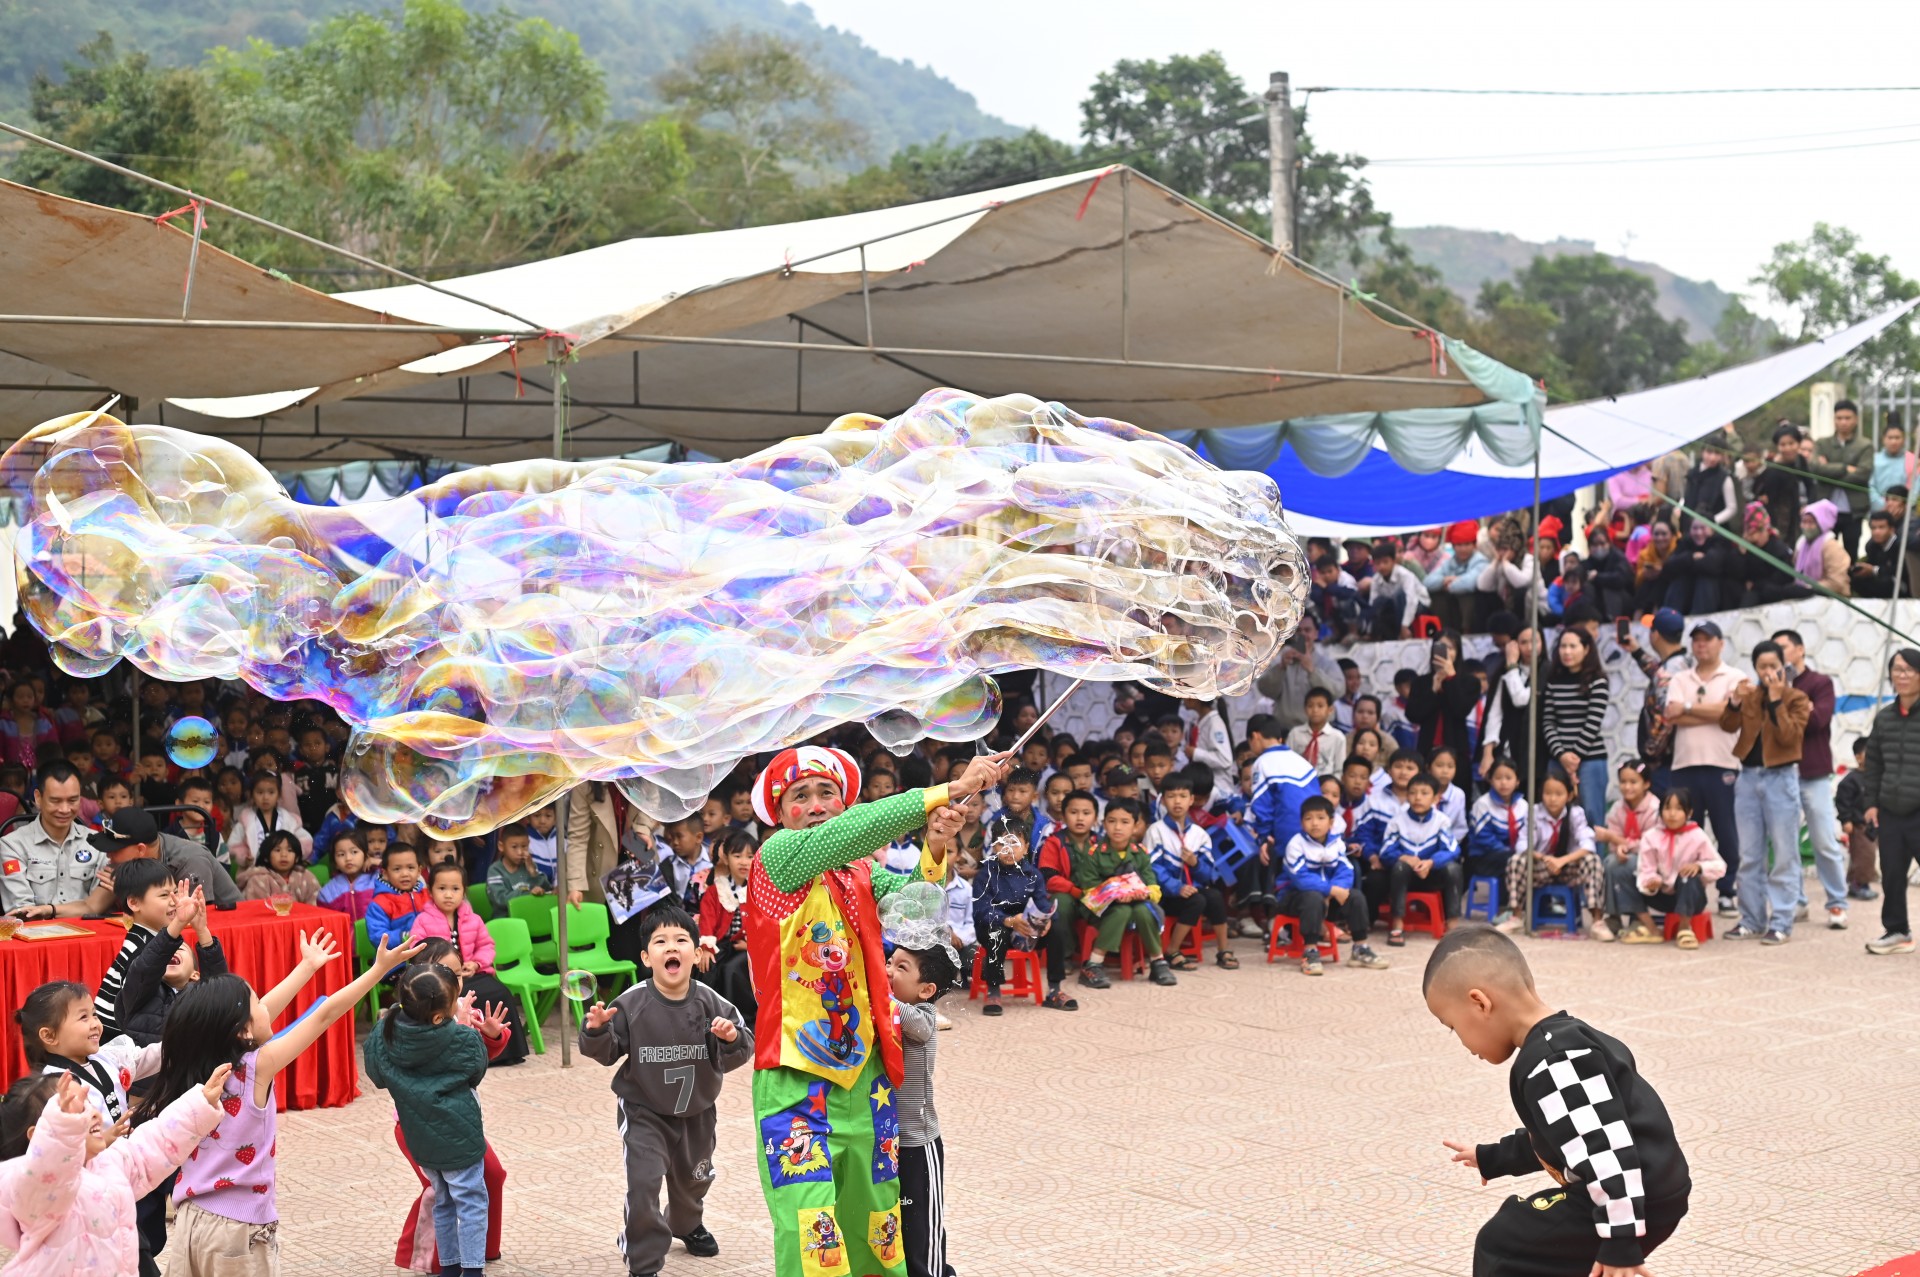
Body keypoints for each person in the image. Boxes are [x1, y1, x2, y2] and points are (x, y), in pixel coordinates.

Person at [743, 744, 1004, 1277]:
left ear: (844, 803)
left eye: (827, 794)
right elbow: (846, 833)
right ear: (779, 813)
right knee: (810, 1228)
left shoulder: (858, 873)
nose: (816, 805)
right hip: (796, 1079)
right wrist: (946, 789)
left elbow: (920, 912)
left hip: (868, 1080)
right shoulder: (777, 862)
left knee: (877, 1227)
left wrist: (934, 844)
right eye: (800, 796)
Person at [137, 930, 421, 1275]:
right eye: (258, 1003)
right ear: (241, 1030)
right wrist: (378, 970)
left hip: (192, 1218)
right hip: (237, 1228)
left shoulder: (195, 1067)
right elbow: (325, 1014)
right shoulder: (255, 1068)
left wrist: (307, 967)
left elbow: (261, 1014)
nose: (266, 1007)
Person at [1428, 927, 1691, 1276]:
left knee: (1505, 1241)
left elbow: (1603, 1148)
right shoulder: (1566, 1041)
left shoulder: (1553, 1059)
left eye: (1452, 1025)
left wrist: (1620, 1241)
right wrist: (1493, 1157)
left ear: (1480, 1002)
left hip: (1632, 1194)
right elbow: (1566, 1135)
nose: (1461, 1041)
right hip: (1642, 1189)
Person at [577, 905, 750, 1277]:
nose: (671, 947)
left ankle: (686, 1225)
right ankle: (643, 1262)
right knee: (643, 1184)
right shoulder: (630, 1003)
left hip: (698, 1112)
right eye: (660, 942)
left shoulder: (710, 1001)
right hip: (644, 1112)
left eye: (681, 940)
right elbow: (606, 1053)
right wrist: (595, 1031)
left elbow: (741, 1049)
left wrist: (732, 1037)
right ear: (646, 957)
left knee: (693, 1183)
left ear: (696, 952)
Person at [0, 1063, 230, 1277]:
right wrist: (62, 1129)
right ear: (43, 1134)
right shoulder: (33, 1189)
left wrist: (199, 1104)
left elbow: (156, 1142)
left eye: (89, 1103)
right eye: (75, 1110)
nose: (92, 1113)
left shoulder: (109, 1163)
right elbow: (47, 1173)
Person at [363, 961, 495, 1277]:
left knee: (444, 1201)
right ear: (438, 1016)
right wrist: (462, 1028)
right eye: (455, 1002)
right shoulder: (461, 1039)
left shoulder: (385, 1032)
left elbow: (377, 1075)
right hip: (459, 1138)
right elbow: (476, 1072)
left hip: (419, 1137)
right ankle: (473, 1271)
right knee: (472, 1203)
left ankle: (450, 1268)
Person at [1717, 641, 1810, 945]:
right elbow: (1727, 724)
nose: (1768, 672)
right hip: (1747, 778)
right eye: (1762, 666)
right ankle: (1751, 919)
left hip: (1781, 778)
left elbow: (1789, 736)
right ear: (1755, 667)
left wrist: (1775, 700)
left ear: (1783, 666)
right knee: (1749, 854)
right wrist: (1733, 701)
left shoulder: (1796, 698)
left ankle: (1782, 920)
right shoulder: (1750, 695)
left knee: (1784, 853)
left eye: (1773, 666)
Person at [885, 941, 960, 1277]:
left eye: (902, 968)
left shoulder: (923, 1017)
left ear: (927, 990)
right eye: (888, 962)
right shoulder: (886, 1008)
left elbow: (916, 1024)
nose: (888, 971)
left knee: (921, 1225)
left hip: (918, 1142)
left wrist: (874, 986)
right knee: (890, 1220)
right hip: (886, 1143)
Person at [1663, 622, 1744, 917]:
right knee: (1683, 833)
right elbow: (1671, 714)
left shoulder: (1736, 677)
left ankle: (1727, 891)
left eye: (1707, 640)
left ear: (1721, 643)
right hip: (1684, 765)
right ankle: (1688, 893)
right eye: (1696, 640)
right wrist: (1713, 711)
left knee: (1726, 830)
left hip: (1723, 763)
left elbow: (1730, 714)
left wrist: (1688, 709)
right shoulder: (1680, 677)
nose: (1701, 645)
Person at [411, 861, 528, 1064]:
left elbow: (487, 945)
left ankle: (504, 1050)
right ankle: (465, 1051)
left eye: (455, 889)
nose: (448, 894)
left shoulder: (473, 919)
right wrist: (443, 969)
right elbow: (418, 950)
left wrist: (476, 963)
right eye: (442, 888)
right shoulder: (422, 920)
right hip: (440, 980)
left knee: (498, 992)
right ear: (430, 891)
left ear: (464, 891)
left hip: (473, 973)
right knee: (458, 997)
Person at [1770, 629, 1849, 930]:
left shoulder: (1820, 682)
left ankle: (1837, 903)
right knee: (1784, 843)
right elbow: (1769, 726)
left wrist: (1787, 701)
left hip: (1813, 771)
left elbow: (1817, 721)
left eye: (1784, 648)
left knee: (1824, 840)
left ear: (1800, 650)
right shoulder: (1771, 685)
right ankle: (1797, 903)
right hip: (1780, 771)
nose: (1779, 654)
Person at [1277, 796, 1390, 975]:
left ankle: (1360, 948)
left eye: (1320, 818)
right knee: (1313, 897)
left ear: (1331, 822)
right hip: (1294, 899)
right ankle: (1310, 952)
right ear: (1301, 822)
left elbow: (1346, 870)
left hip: (1328, 897)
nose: (1314, 823)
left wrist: (1334, 891)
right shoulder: (1296, 844)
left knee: (1355, 897)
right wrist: (1330, 890)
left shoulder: (1336, 843)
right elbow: (1301, 879)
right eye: (1308, 818)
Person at [1072, 797, 1176, 988]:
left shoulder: (1140, 852)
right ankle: (1093, 964)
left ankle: (1158, 962)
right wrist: (1114, 895)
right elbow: (1089, 890)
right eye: (1112, 821)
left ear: (1136, 826)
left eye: (1125, 822)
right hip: (1100, 909)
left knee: (1143, 910)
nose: (1117, 827)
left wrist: (1143, 894)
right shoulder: (1094, 853)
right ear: (1104, 824)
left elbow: (1153, 887)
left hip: (1136, 905)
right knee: (1123, 910)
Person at [1609, 789, 1726, 947]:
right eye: (1667, 808)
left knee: (1687, 875)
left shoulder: (1697, 835)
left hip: (1690, 896)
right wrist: (1652, 883)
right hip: (1661, 895)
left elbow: (1720, 866)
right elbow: (1646, 868)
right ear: (1660, 811)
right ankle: (1651, 929)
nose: (1672, 814)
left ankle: (1684, 928)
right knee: (1623, 871)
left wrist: (1699, 867)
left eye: (1678, 809)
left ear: (1689, 812)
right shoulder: (1651, 837)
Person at [1144, 770, 1234, 972]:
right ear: (1163, 800)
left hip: (1189, 891)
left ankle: (1223, 950)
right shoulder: (1156, 831)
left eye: (1183, 796)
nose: (1177, 801)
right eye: (1171, 796)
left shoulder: (1199, 835)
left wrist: (1195, 864)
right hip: (1164, 895)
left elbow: (1207, 875)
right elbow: (1151, 869)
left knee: (1215, 896)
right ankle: (1172, 951)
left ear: (1192, 799)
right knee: (1197, 900)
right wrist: (1176, 887)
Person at [0, 761, 115, 920]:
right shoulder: (12, 845)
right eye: (55, 801)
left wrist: (50, 910)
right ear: (38, 798)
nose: (65, 809)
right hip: (37, 937)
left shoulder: (98, 843)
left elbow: (97, 906)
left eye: (73, 800)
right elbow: (23, 912)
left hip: (88, 936)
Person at [1504, 768, 1610, 939]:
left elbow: (1588, 843)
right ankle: (1516, 915)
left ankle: (1597, 920)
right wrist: (1545, 859)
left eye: (1558, 793)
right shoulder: (1534, 812)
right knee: (1516, 861)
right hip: (1541, 867)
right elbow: (1523, 844)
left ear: (1568, 795)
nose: (1552, 798)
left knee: (1593, 860)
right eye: (1548, 793)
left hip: (1569, 867)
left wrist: (1562, 861)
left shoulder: (1576, 813)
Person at [1862, 648, 1920, 955]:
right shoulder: (1884, 718)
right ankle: (1898, 931)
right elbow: (1873, 765)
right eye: (1897, 669)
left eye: (1910, 670)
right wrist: (1871, 803)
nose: (1903, 675)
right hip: (1891, 811)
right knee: (1893, 875)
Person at [1541, 628, 1611, 832]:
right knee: (1555, 816)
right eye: (1563, 646)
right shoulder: (1553, 681)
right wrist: (1561, 754)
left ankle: (1594, 863)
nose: (1567, 652)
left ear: (1586, 649)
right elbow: (1548, 721)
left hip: (1590, 759)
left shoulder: (1598, 681)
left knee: (1591, 816)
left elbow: (1593, 722)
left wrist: (1574, 757)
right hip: (1557, 759)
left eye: (1573, 646)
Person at [1380, 772, 1462, 944]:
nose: (1418, 797)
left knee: (1454, 868)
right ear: (1407, 795)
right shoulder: (1397, 821)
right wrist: (1405, 858)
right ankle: (1397, 924)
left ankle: (1453, 924)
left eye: (1424, 793)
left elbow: (1453, 850)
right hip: (1406, 878)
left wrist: (1431, 863)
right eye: (1413, 793)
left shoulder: (1442, 821)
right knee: (1399, 867)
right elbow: (1385, 852)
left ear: (1435, 798)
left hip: (1432, 875)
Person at [1622, 608, 1689, 791]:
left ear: (1656, 635)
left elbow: (1666, 719)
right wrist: (1637, 652)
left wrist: (1650, 755)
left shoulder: (1667, 674)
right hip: (1677, 760)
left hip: (1664, 765)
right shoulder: (1683, 662)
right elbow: (1658, 672)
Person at [697, 830, 759, 1019]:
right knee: (706, 969)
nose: (743, 862)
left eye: (749, 856)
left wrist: (751, 946)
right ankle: (708, 1018)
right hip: (722, 946)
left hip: (751, 948)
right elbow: (707, 919)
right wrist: (706, 948)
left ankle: (739, 1018)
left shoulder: (760, 889)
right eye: (737, 855)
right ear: (726, 857)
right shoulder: (717, 889)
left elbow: (766, 925)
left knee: (731, 969)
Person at [1407, 631, 1480, 786]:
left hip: (1456, 751)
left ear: (1458, 652)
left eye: (1451, 648)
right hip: (1427, 750)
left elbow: (1461, 709)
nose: (1446, 652)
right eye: (1441, 647)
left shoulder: (1470, 682)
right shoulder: (1421, 682)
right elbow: (1413, 715)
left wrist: (1451, 678)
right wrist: (1433, 690)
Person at [1595, 760, 1660, 929]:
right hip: (1627, 855)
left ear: (1646, 784)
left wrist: (1617, 840)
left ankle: (1635, 916)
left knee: (1628, 863)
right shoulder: (1617, 808)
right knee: (1609, 863)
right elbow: (1613, 842)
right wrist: (1618, 847)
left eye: (1633, 782)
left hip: (1652, 859)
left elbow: (1650, 844)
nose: (1627, 787)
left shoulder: (1654, 809)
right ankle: (1613, 915)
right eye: (1623, 782)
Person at [1465, 760, 1527, 924]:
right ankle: (1504, 909)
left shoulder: (1523, 806)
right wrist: (1511, 853)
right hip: (1483, 857)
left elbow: (1528, 834)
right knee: (1510, 861)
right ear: (1490, 780)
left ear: (1517, 781)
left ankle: (1530, 907)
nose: (1504, 782)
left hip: (1512, 854)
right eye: (1498, 778)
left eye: (1508, 777)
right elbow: (1483, 838)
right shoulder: (1483, 804)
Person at [1812, 398, 1873, 551]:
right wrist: (1846, 468)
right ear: (1834, 419)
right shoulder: (1822, 443)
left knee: (1850, 555)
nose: (1843, 422)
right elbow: (1815, 468)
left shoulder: (1865, 445)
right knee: (1824, 553)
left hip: (1853, 511)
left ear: (1856, 419)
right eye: (1839, 418)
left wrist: (1828, 470)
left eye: (1847, 418)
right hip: (1826, 509)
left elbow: (1863, 474)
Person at [1255, 630, 1341, 736]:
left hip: (1318, 732)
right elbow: (1265, 689)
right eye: (1299, 630)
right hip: (1284, 730)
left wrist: (1312, 671)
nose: (1303, 634)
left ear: (1316, 634)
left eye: (1308, 629)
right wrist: (1281, 667)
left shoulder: (1327, 663)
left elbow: (1338, 692)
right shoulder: (1279, 660)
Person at [228, 771, 311, 872]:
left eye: (271, 792)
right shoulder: (246, 820)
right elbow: (234, 844)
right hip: (255, 871)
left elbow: (305, 840)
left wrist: (293, 854)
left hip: (285, 871)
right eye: (260, 792)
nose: (265, 797)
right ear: (252, 794)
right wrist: (244, 857)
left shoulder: (289, 819)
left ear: (279, 794)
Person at [1836, 736, 1880, 903]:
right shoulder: (1851, 780)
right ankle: (1858, 885)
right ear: (1859, 757)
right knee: (1863, 855)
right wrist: (1845, 820)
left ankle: (1859, 884)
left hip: (1871, 825)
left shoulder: (1873, 777)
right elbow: (1842, 801)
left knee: (1866, 856)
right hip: (1857, 825)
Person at [1425, 521, 1488, 634]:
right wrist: (1443, 581)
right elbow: (1427, 582)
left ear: (1474, 545)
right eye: (1459, 545)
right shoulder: (1449, 562)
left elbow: (1469, 584)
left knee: (1466, 595)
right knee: (1437, 596)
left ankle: (1466, 631)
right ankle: (1444, 631)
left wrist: (1449, 584)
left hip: (1474, 615)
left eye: (1466, 544)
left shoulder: (1480, 561)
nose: (1462, 549)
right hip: (1451, 612)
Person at [366, 843, 429, 953]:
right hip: (396, 963)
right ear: (385, 873)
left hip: (428, 955)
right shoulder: (379, 904)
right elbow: (378, 936)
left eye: (410, 868)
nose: (405, 874)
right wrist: (405, 936)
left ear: (419, 871)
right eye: (397, 869)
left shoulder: (427, 894)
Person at [235, 830, 321, 905]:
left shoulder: (306, 878)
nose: (284, 855)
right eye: (277, 850)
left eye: (290, 850)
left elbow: (316, 908)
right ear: (266, 857)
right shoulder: (258, 880)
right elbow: (257, 912)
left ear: (297, 858)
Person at [1786, 500, 1850, 598]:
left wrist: (1810, 588)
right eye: (1804, 522)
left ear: (1822, 523)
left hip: (1831, 599)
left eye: (1811, 522)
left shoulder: (1831, 547)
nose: (1806, 527)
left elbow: (1837, 582)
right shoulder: (1802, 543)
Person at [485, 822, 551, 916]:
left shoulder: (530, 866)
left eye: (524, 846)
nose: (520, 852)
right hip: (506, 921)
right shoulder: (495, 870)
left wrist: (533, 873)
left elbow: (547, 890)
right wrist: (528, 893)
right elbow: (500, 899)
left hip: (530, 918)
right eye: (514, 847)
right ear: (501, 846)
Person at [317, 830, 381, 920]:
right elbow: (327, 922)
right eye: (341, 854)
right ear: (335, 863)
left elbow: (396, 875)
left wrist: (380, 863)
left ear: (366, 856)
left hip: (378, 932)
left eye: (354, 852)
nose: (348, 858)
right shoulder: (327, 892)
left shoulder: (378, 878)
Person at [1285, 688, 1346, 779]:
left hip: (1325, 786)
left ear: (1330, 710)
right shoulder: (1295, 734)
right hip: (1298, 781)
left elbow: (1339, 769)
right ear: (1305, 709)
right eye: (1310, 706)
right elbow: (1287, 761)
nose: (1315, 710)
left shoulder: (1337, 737)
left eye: (1320, 706)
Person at [1683, 442, 1740, 530]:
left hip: (1714, 529)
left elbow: (1732, 508)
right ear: (1702, 452)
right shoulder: (1692, 473)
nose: (1712, 457)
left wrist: (1713, 521)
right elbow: (1686, 496)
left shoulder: (1724, 478)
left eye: (1717, 453)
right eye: (1709, 452)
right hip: (1689, 526)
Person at [1869, 421, 1911, 513]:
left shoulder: (1912, 460)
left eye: (1897, 438)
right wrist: (1883, 505)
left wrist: (1903, 507)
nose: (1893, 441)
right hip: (1879, 512)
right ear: (1883, 439)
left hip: (1905, 513)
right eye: (1890, 437)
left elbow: (1916, 488)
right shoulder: (1874, 460)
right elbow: (1870, 486)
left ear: (1903, 439)